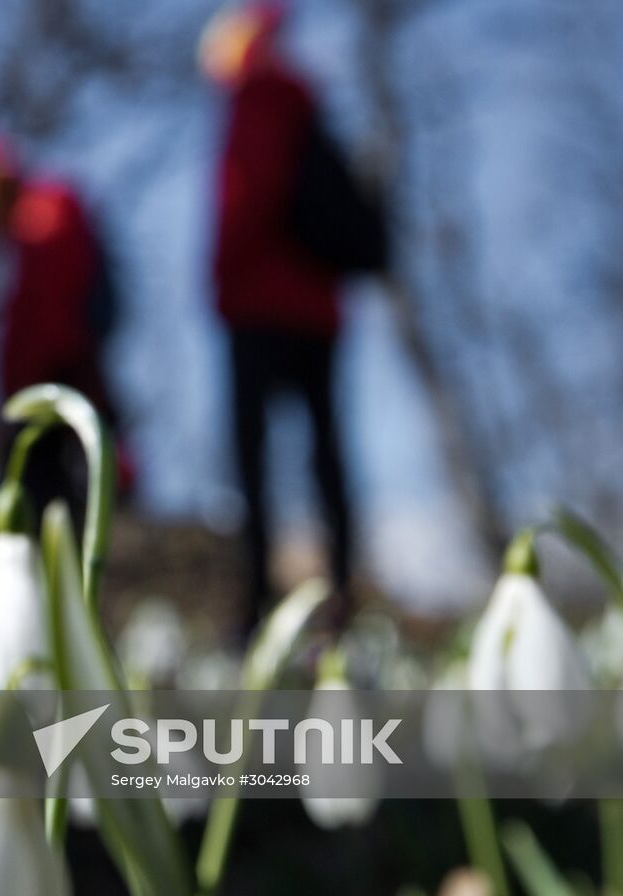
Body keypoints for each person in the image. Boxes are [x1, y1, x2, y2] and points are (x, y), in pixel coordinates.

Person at [202, 2, 382, 637]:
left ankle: (255, 606)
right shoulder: (306, 101)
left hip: (256, 304)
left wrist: (219, 277)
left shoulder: (257, 99)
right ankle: (340, 599)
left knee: (254, 461)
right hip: (319, 311)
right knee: (326, 455)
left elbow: (246, 197)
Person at [0, 135, 129, 517]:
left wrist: (22, 380)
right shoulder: (30, 220)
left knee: (49, 465)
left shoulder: (37, 216)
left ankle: (79, 526)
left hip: (53, 367)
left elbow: (45, 308)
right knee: (61, 464)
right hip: (58, 361)